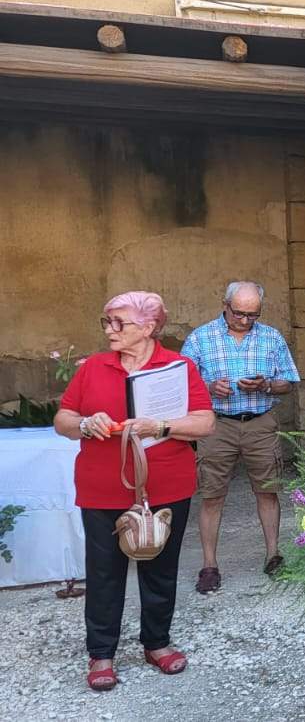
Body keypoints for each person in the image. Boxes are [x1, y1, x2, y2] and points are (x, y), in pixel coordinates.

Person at [55, 291, 215, 691]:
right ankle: (102, 654)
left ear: (147, 327)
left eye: (118, 323)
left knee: (160, 568)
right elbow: (63, 418)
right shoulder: (93, 367)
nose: (110, 330)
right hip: (102, 487)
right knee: (104, 571)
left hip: (165, 484)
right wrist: (84, 423)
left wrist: (160, 426)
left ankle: (156, 643)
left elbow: (204, 422)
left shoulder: (179, 367)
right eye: (106, 322)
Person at [181, 281, 300, 595]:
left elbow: (288, 381)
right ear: (225, 305)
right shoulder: (200, 338)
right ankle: (209, 566)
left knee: (268, 490)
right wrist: (208, 388)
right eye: (239, 313)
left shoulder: (271, 337)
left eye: (252, 314)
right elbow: (181, 382)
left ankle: (273, 554)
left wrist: (266, 386)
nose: (245, 320)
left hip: (259, 423)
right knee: (211, 495)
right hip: (216, 424)